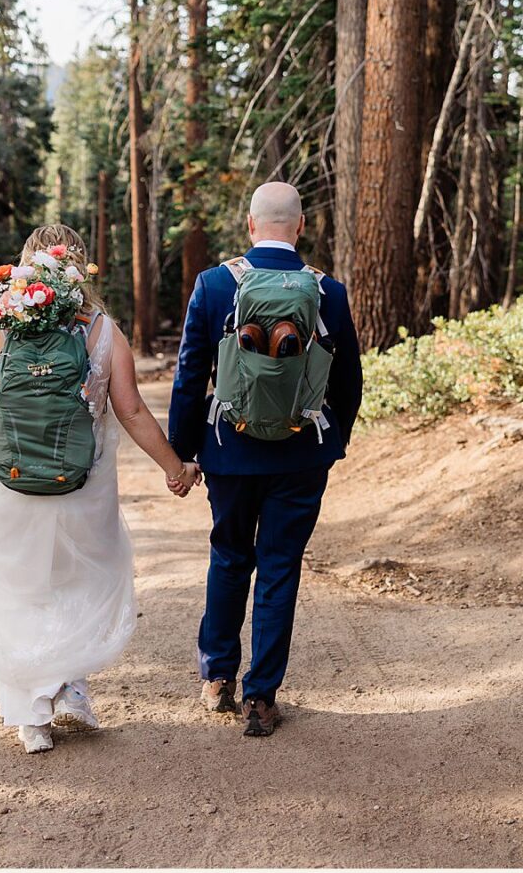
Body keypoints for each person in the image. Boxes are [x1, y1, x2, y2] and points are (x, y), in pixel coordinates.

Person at [0, 224, 199, 754]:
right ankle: (70, 689)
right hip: (79, 481)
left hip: (13, 484)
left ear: (23, 267)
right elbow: (130, 410)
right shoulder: (101, 329)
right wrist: (174, 468)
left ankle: (30, 715)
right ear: (80, 267)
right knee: (77, 581)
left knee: (18, 588)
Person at [167, 182, 363, 737]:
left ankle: (216, 677)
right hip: (302, 452)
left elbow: (189, 376)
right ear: (299, 227)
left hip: (229, 451)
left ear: (250, 225)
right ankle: (261, 697)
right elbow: (349, 379)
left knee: (229, 556)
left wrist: (185, 451)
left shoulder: (213, 285)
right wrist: (332, 440)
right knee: (279, 566)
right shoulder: (330, 292)